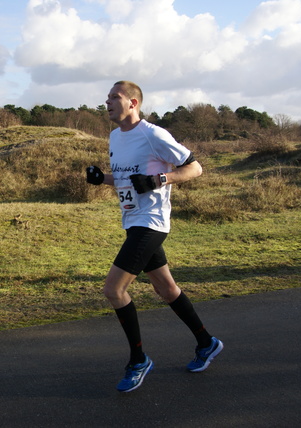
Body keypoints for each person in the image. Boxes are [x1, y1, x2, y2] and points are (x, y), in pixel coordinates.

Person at [86, 81, 223, 393]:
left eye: (114, 97)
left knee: (114, 290)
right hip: (133, 220)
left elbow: (195, 168)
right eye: (107, 97)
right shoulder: (114, 137)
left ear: (133, 103)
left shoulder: (153, 134)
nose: (107, 102)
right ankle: (206, 342)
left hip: (152, 222)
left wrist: (161, 178)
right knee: (166, 288)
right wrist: (102, 179)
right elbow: (126, 179)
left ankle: (138, 360)